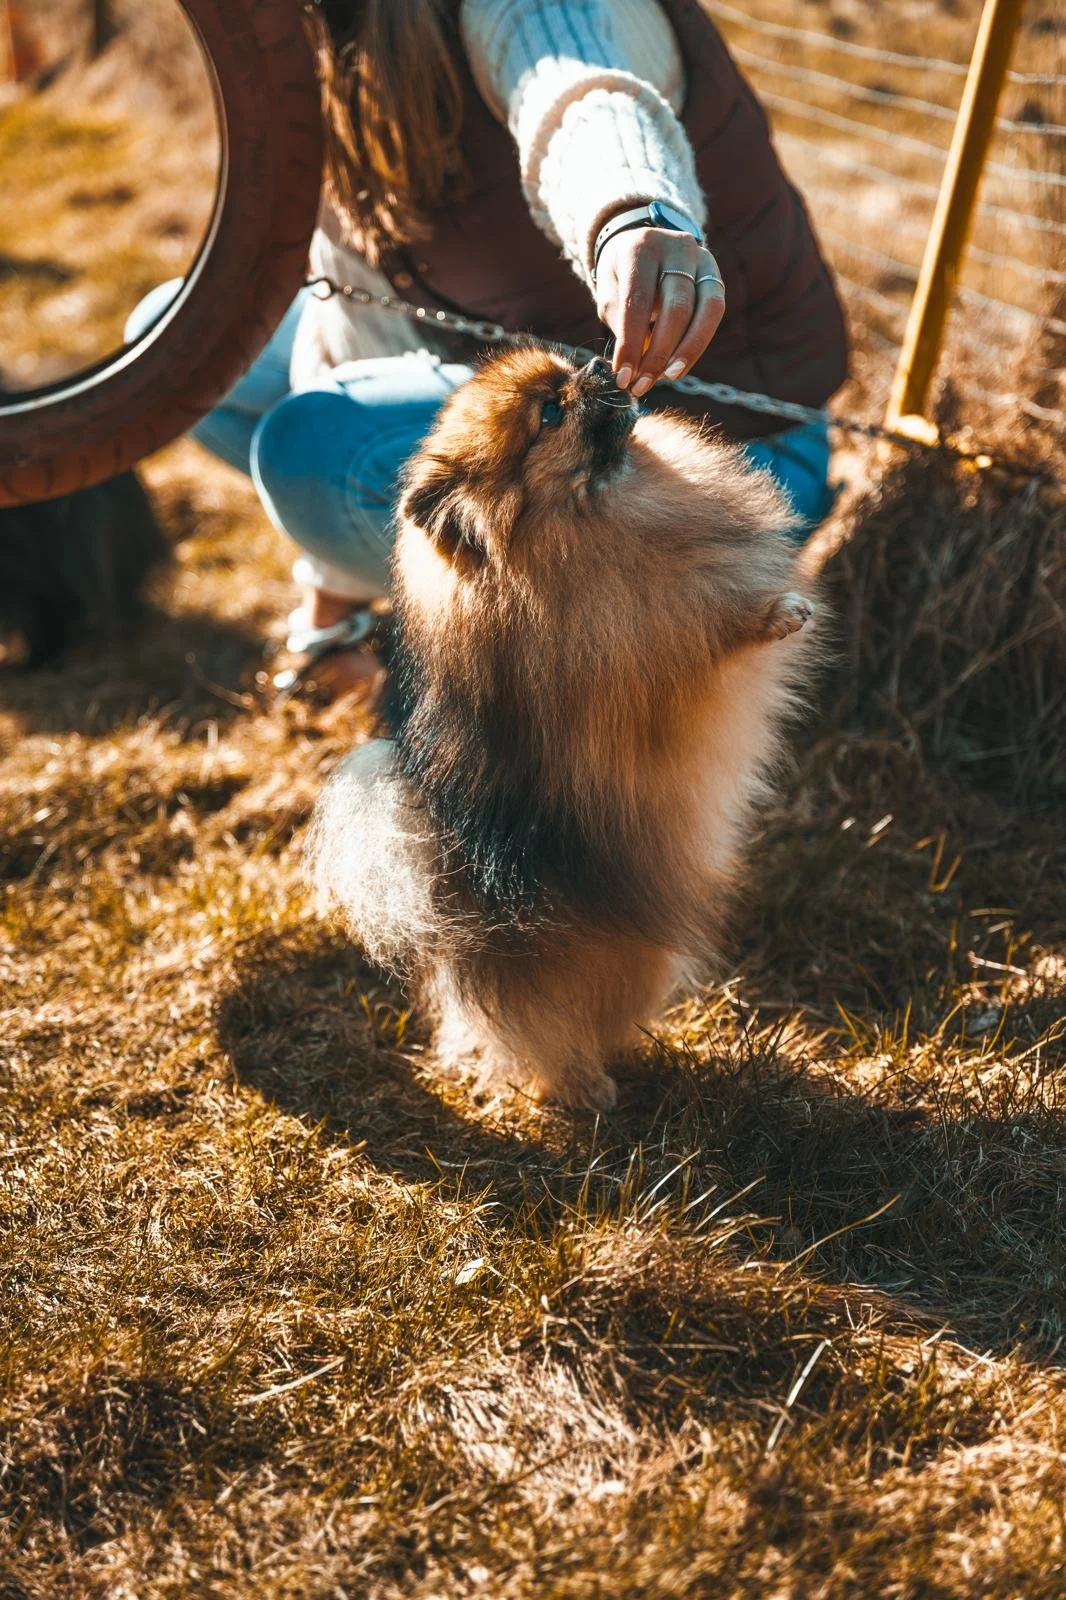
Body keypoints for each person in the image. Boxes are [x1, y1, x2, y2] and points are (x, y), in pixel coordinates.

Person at [127, 0, 848, 696]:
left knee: (305, 446)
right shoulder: (341, 57)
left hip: (726, 471)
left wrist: (633, 215)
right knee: (182, 344)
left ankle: (566, 653)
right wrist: (330, 602)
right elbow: (355, 330)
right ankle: (487, 619)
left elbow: (581, 98)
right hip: (553, 438)